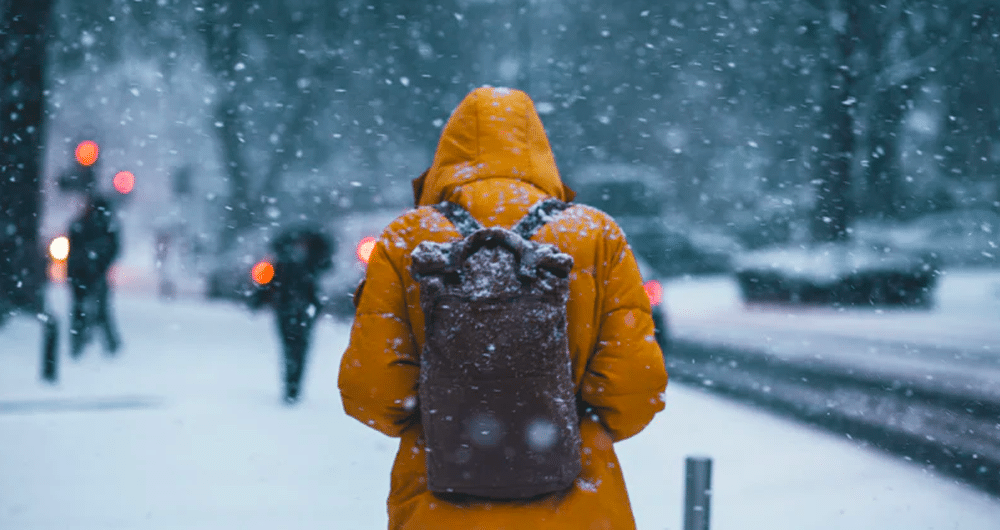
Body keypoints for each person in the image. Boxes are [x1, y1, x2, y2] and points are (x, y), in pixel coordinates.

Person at [338, 86, 669, 529]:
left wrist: (453, 417)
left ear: (447, 154)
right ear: (539, 150)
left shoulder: (406, 240)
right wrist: (557, 424)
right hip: (579, 506)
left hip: (437, 503)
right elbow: (635, 390)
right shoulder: (596, 235)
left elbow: (372, 393)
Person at [250, 226, 333, 404]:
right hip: (300, 310)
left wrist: (257, 301)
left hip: (288, 309)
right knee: (298, 348)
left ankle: (291, 386)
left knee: (291, 349)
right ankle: (293, 386)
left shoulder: (285, 261)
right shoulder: (309, 262)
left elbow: (266, 284)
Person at [67, 194, 121, 357]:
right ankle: (107, 344)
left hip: (83, 273)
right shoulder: (105, 226)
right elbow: (114, 249)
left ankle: (79, 342)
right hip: (87, 273)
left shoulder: (82, 224)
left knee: (83, 309)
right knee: (98, 309)